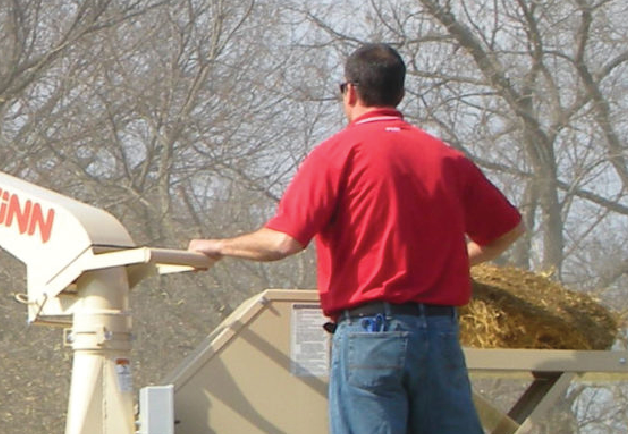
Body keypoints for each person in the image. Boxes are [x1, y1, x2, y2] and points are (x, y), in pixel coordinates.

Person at [187, 42, 525, 434]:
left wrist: (216, 246)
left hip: (370, 333)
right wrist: (446, 262)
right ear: (400, 93)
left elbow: (282, 242)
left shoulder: (338, 154)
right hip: (439, 334)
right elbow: (508, 232)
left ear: (350, 92)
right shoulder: (447, 159)